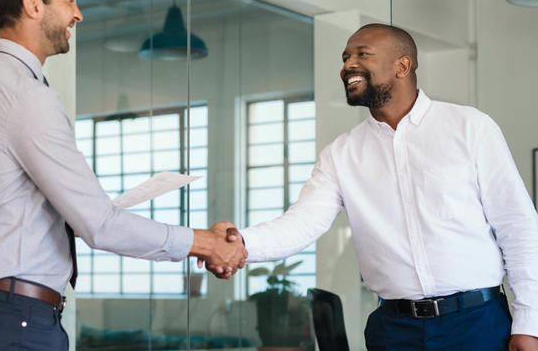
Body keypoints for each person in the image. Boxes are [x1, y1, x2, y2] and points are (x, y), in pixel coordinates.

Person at [0, 0, 246, 351]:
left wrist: (51, 217)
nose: (77, 14)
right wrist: (206, 244)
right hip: (17, 320)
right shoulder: (27, 95)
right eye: (70, 0)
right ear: (34, 5)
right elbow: (99, 225)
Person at [212, 24, 538, 350]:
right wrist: (240, 243)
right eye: (345, 57)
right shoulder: (341, 154)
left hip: (477, 324)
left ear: (402, 66)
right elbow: (302, 223)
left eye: (362, 54)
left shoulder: (470, 127)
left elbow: (518, 227)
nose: (348, 65)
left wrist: (529, 325)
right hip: (394, 331)